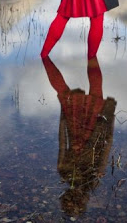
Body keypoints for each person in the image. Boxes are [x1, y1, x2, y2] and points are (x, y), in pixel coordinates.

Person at [42, 56, 116, 216]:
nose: (76, 195)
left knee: (95, 92)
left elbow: (62, 143)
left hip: (78, 129)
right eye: (77, 200)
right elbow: (104, 152)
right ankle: (91, 57)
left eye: (73, 199)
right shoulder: (90, 182)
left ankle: (90, 57)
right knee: (96, 93)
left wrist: (63, 118)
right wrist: (109, 130)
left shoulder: (65, 173)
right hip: (91, 132)